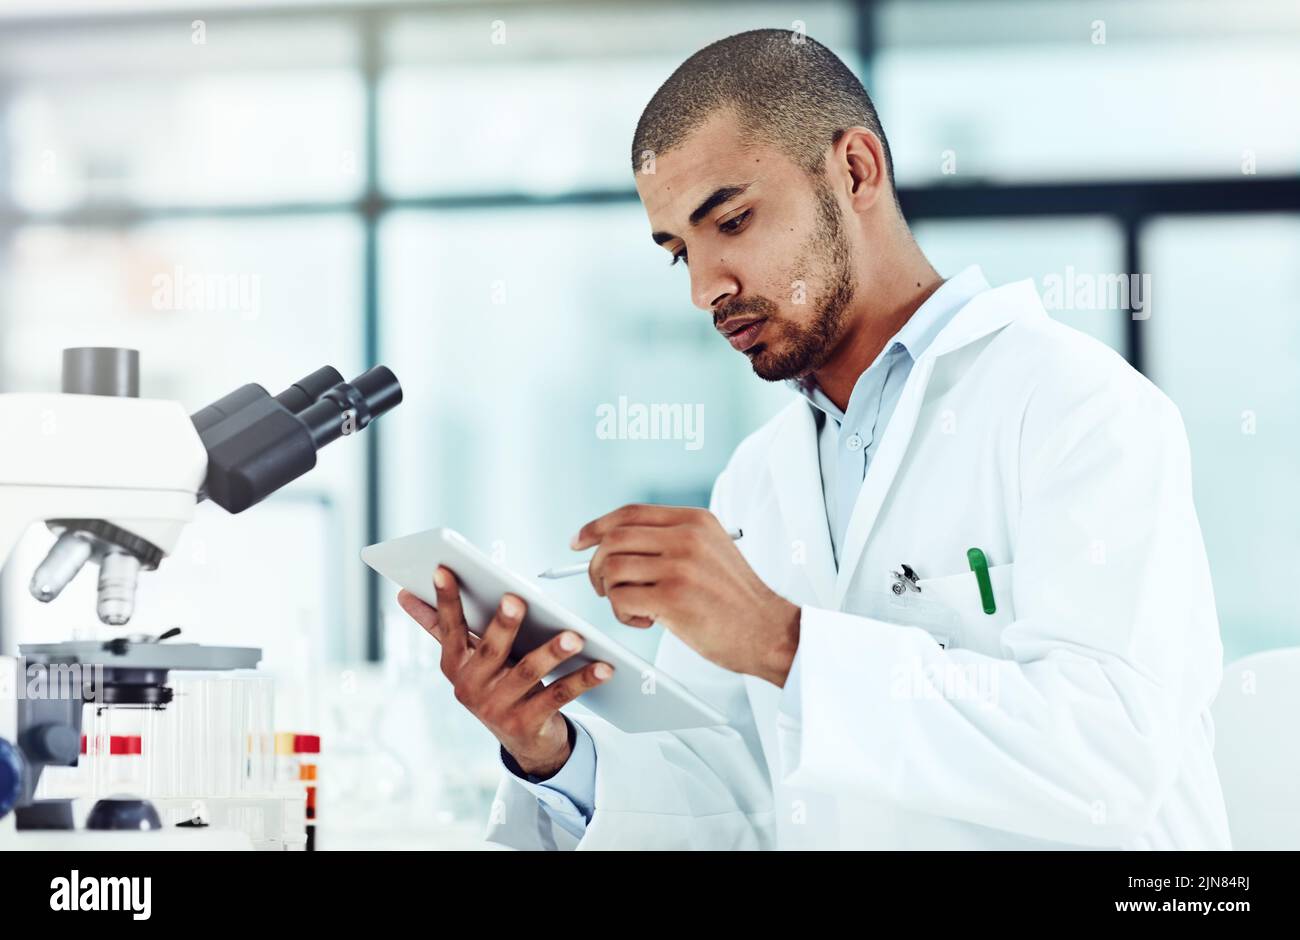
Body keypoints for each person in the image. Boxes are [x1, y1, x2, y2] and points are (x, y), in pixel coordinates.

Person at [397, 28, 1230, 850]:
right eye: (676, 250)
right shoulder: (758, 481)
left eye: (732, 221)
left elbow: (1112, 758)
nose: (703, 288)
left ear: (856, 170)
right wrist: (550, 753)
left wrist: (785, 641)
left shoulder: (1078, 407)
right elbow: (734, 801)